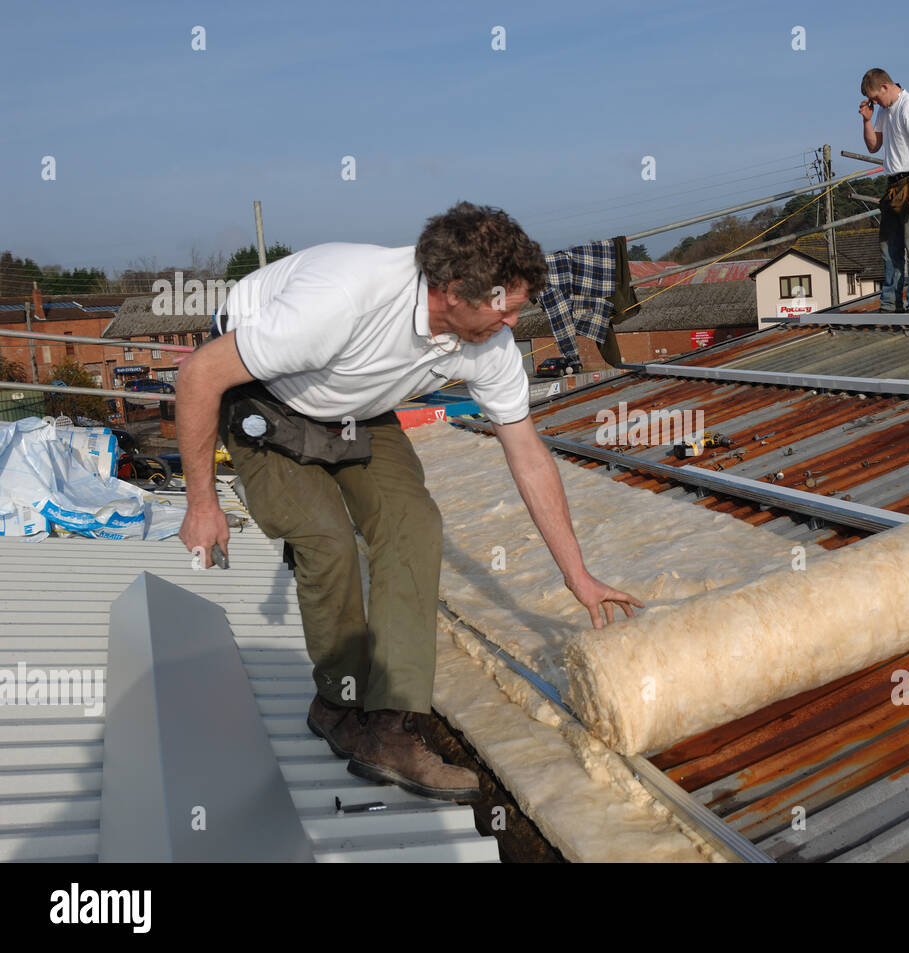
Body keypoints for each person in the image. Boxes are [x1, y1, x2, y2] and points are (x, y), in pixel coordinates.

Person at [176, 202, 644, 802]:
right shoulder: (341, 301)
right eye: (505, 307)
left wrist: (578, 576)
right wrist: (200, 503)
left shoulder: (489, 342)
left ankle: (389, 727)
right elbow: (198, 376)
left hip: (357, 405)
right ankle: (337, 704)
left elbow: (527, 455)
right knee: (326, 540)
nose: (513, 323)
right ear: (452, 293)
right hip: (262, 393)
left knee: (414, 525)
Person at [859, 68, 909, 313]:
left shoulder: (908, 107)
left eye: (876, 98)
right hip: (893, 184)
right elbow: (873, 146)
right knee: (890, 247)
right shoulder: (884, 110)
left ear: (885, 87)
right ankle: (891, 303)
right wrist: (867, 120)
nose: (876, 102)